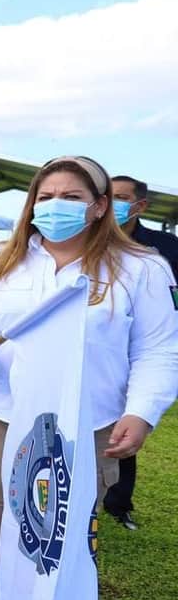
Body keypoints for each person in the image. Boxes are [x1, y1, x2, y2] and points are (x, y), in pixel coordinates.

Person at [0, 155, 178, 600]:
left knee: (63, 532)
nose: (55, 207)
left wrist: (142, 411)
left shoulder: (140, 268)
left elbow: (158, 349)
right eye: (45, 197)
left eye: (70, 198)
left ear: (98, 207)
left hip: (83, 423)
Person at [102, 175, 178, 530]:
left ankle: (118, 502)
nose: (112, 203)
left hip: (149, 344)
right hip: (107, 347)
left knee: (131, 420)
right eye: (107, 196)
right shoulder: (89, 240)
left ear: (140, 205)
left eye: (121, 197)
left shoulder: (163, 249)